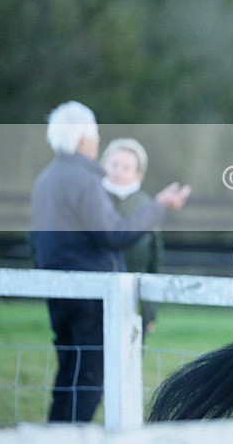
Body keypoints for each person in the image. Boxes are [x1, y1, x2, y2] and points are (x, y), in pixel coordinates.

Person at [30, 101, 191, 423]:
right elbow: (114, 235)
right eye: (95, 134)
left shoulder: (46, 179)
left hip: (58, 292)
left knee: (68, 376)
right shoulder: (84, 179)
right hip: (90, 297)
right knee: (89, 381)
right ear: (83, 138)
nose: (97, 140)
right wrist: (159, 206)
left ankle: (55, 435)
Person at [101, 138, 164, 338]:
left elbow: (154, 262)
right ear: (104, 165)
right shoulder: (90, 200)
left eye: (126, 167)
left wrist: (150, 311)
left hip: (134, 302)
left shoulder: (147, 207)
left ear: (138, 174)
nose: (118, 171)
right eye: (114, 164)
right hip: (93, 300)